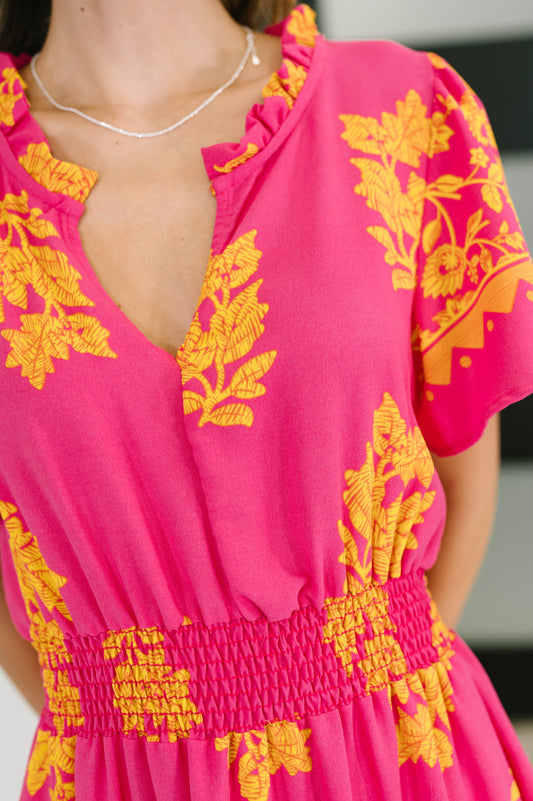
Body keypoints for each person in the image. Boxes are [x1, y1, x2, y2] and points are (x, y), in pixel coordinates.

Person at [0, 0, 532, 799]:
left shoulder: (401, 108)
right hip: (126, 774)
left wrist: (359, 697)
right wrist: (138, 722)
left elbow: (462, 477)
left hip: (401, 757)